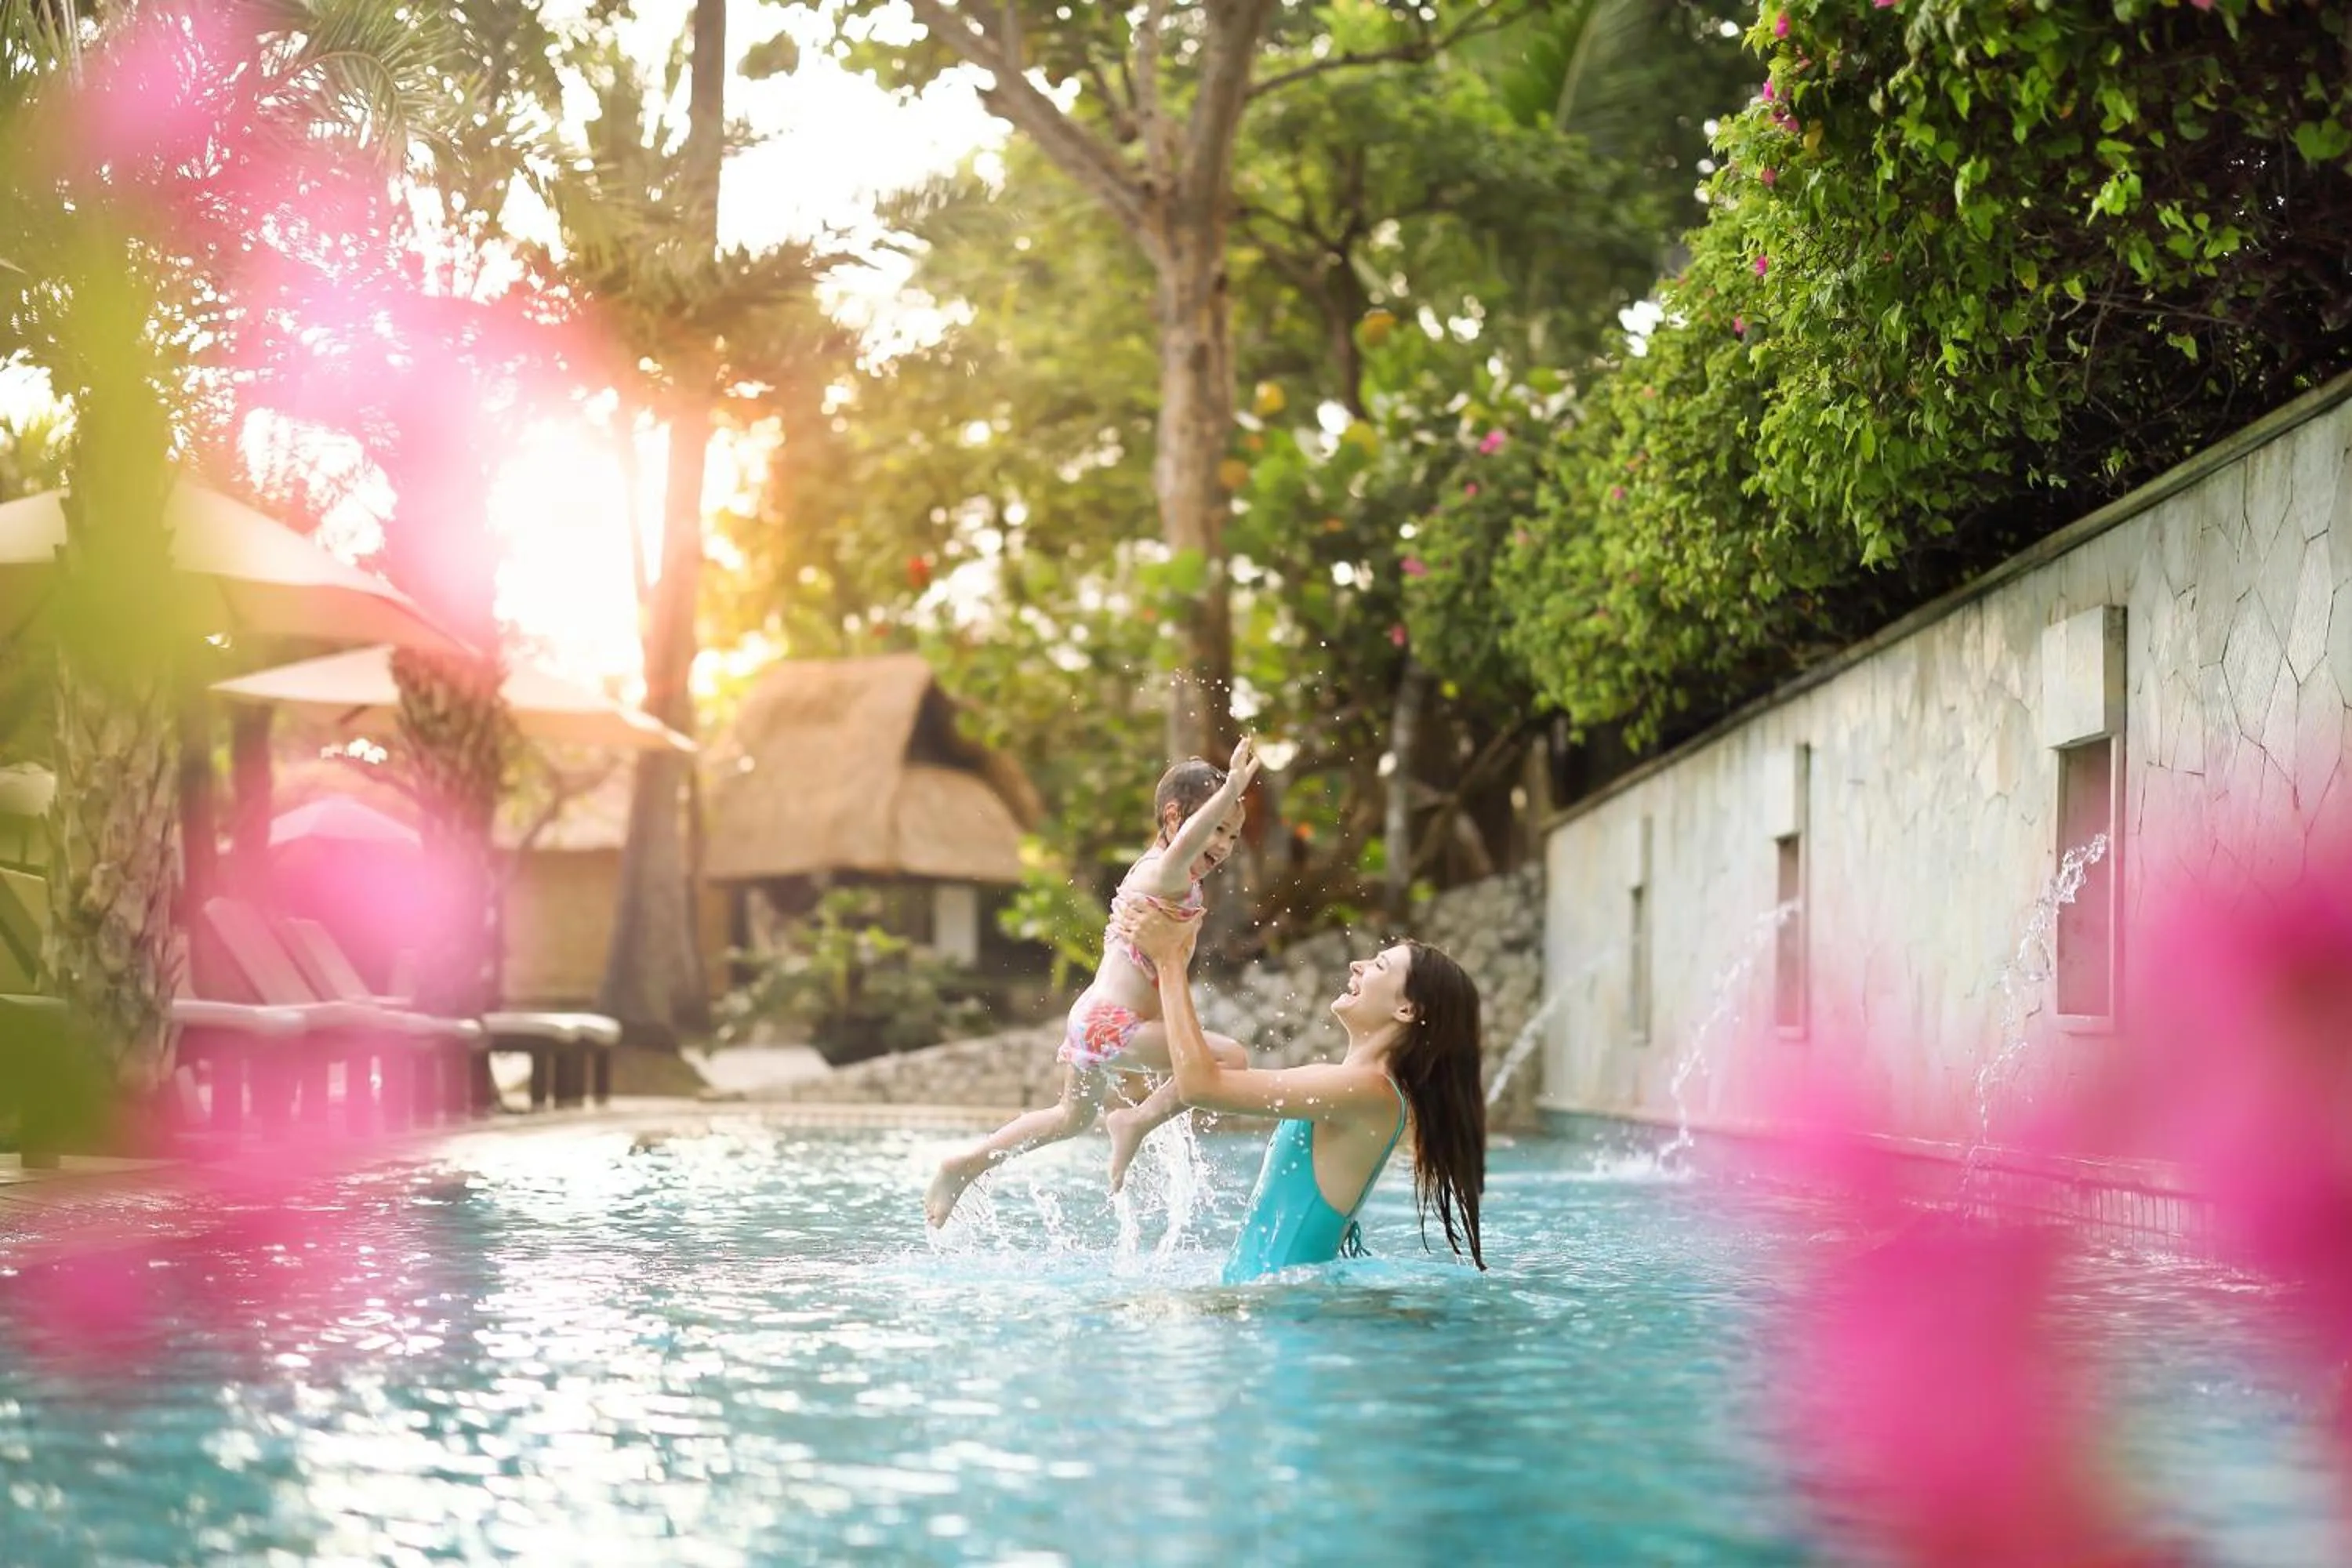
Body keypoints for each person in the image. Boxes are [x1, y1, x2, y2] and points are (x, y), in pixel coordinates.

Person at [924, 739, 1261, 1228]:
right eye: (1216, 829)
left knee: (1070, 1118)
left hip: (1098, 1018)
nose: (1223, 846)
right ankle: (1136, 1122)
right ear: (1173, 818)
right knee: (1231, 1058)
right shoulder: (1162, 871)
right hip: (1111, 1023)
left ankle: (965, 1165)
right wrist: (1231, 786)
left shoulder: (1175, 877)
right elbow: (1188, 844)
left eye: (1232, 835)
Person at [1119, 897, 1487, 1283]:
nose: (1356, 965)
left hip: (1276, 1315)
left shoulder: (1365, 1090)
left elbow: (1200, 1087)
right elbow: (1208, 1081)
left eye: (1379, 965)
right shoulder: (1362, 1089)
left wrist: (1169, 961)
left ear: (1407, 1010)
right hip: (1274, 1307)